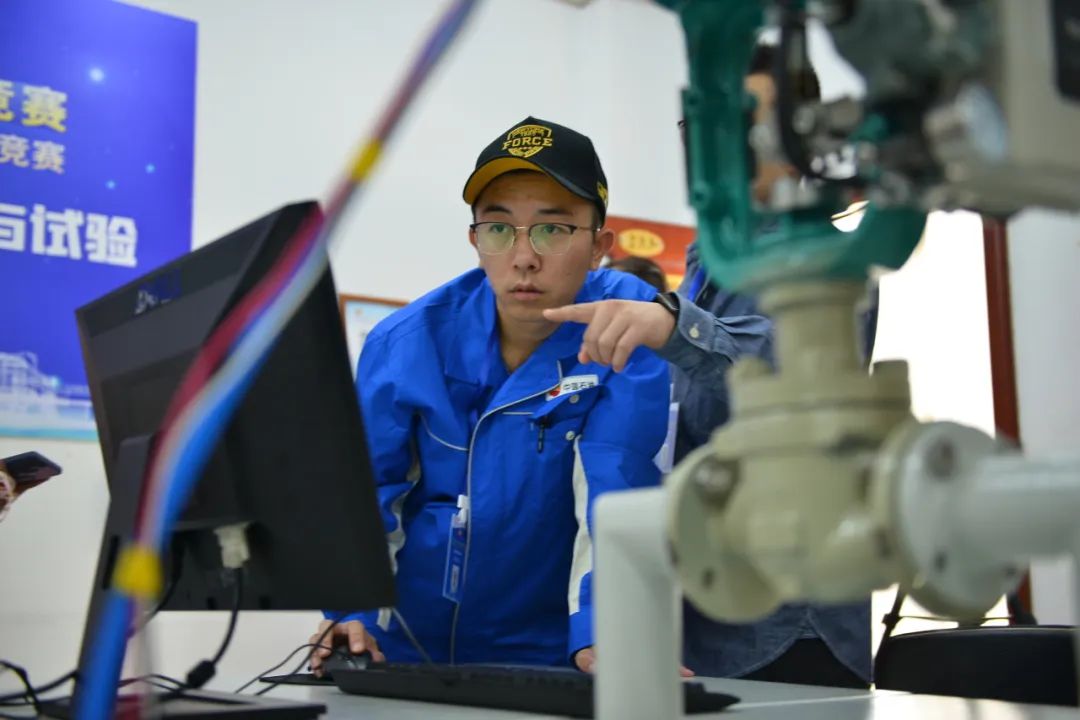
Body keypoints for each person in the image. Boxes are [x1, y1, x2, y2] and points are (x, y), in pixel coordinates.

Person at [544, 45, 873, 688]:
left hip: (787, 620)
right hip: (701, 606)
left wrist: (670, 326)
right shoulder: (703, 267)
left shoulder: (828, 258)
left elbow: (782, 369)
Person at [309, 117, 671, 675]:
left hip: (555, 658)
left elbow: (615, 487)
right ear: (475, 240)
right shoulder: (406, 343)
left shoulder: (624, 325)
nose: (523, 256)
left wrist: (606, 632)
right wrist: (352, 615)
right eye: (500, 228)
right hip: (410, 653)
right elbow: (369, 492)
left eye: (553, 229)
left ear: (599, 246)